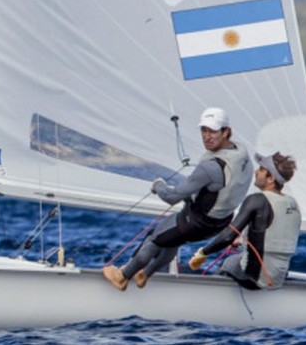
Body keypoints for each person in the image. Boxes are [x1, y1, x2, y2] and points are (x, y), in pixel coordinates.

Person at [103, 107, 252, 291]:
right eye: (204, 130)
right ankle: (144, 274)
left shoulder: (210, 168)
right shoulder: (242, 152)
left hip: (196, 222)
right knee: (173, 240)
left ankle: (123, 276)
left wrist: (158, 185)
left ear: (226, 131)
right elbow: (222, 187)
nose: (206, 136)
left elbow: (171, 197)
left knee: (154, 239)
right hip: (221, 222)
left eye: (213, 131)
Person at [188, 152, 301, 290]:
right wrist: (241, 241)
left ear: (271, 178)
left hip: (254, 279)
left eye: (261, 169)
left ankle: (209, 297)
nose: (255, 172)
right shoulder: (292, 204)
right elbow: (273, 233)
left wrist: (203, 253)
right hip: (277, 278)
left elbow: (228, 235)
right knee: (240, 259)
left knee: (228, 263)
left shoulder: (257, 199)